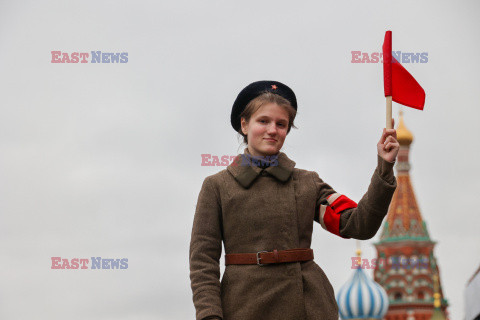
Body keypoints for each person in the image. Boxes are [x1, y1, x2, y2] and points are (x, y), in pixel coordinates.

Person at [189, 80, 399, 320]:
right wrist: (209, 316)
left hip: (309, 307)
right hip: (243, 308)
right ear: (244, 125)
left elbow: (357, 224)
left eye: (281, 124)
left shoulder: (307, 183)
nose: (272, 130)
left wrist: (384, 166)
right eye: (263, 121)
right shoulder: (216, 186)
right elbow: (203, 263)